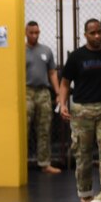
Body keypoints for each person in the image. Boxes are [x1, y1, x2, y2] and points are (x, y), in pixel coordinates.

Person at [58, 18, 101, 202]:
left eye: (99, 32)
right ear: (85, 34)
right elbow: (64, 83)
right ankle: (86, 193)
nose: (97, 36)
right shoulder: (76, 57)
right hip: (81, 111)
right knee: (83, 153)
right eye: (93, 33)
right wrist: (63, 104)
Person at [24, 21, 61, 175]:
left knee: (44, 127)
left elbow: (52, 72)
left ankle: (45, 163)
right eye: (31, 32)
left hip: (43, 92)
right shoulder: (19, 51)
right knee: (23, 128)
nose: (34, 35)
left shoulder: (46, 50)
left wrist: (58, 93)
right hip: (25, 91)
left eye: (37, 32)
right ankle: (20, 163)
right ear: (26, 33)